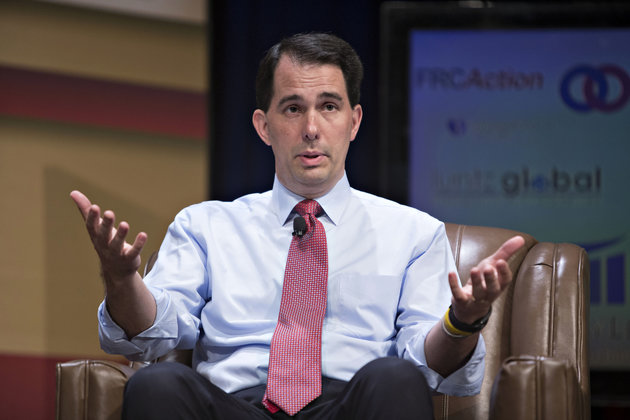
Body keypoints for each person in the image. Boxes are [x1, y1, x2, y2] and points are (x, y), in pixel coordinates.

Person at [70, 32, 524, 420]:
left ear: (354, 121)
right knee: (157, 384)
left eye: (329, 106)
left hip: (352, 403)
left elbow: (430, 365)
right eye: (292, 108)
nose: (311, 128)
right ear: (263, 126)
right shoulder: (205, 225)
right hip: (236, 406)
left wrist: (464, 321)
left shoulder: (414, 234)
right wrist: (121, 277)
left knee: (396, 378)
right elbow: (153, 334)